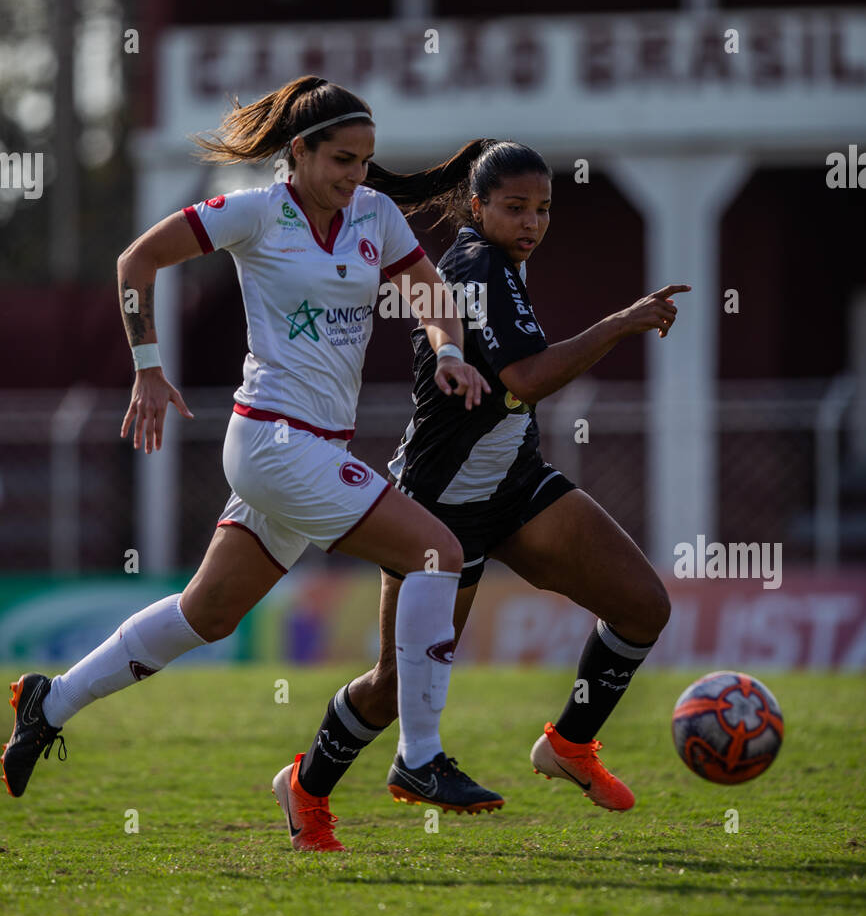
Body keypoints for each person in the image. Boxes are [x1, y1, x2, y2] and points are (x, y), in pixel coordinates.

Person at [1, 76, 503, 852]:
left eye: (366, 161)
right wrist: (146, 366)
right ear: (296, 152)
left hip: (313, 450)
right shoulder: (255, 211)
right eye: (341, 159)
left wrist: (446, 352)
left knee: (207, 615)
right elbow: (137, 261)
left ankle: (49, 703)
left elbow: (432, 296)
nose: (356, 176)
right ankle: (420, 758)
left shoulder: (373, 216)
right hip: (272, 442)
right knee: (436, 551)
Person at [293, 139, 689, 831]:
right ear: (477, 208)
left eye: (543, 209)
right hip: (440, 510)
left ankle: (569, 744)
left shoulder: (502, 263)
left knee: (641, 606)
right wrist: (621, 324)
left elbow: (519, 386)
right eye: (515, 208)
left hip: (516, 485)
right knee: (392, 688)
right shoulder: (477, 264)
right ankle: (304, 787)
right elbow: (527, 379)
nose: (532, 222)